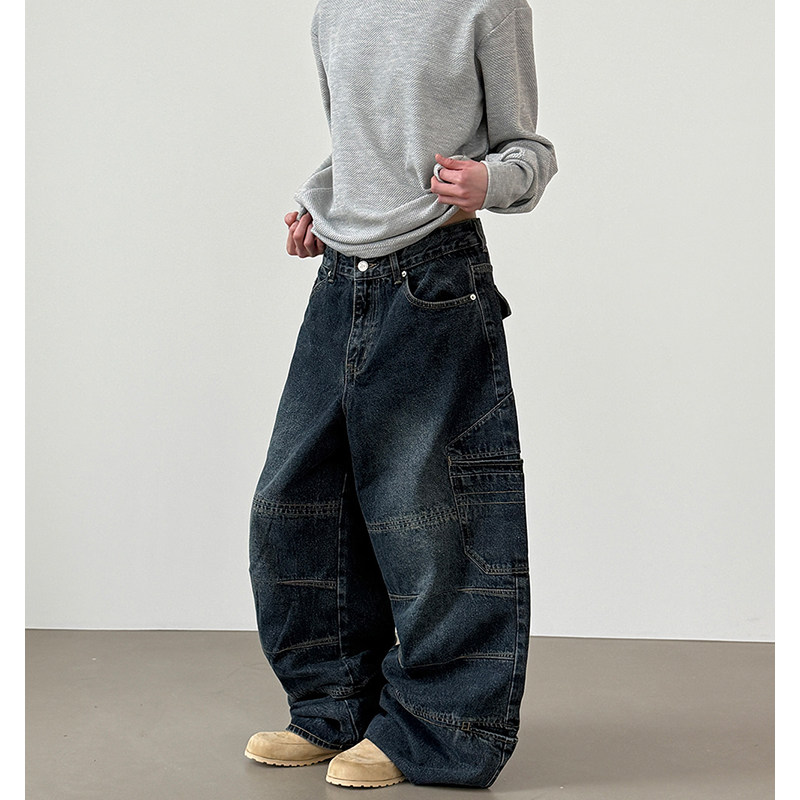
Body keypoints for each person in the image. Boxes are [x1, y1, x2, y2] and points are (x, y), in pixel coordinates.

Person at [246, 0, 558, 789]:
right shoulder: (334, 12)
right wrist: (323, 208)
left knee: (432, 516)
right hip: (337, 279)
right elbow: (363, 150)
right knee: (296, 503)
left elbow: (529, 152)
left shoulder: (486, 7)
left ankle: (439, 729)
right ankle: (332, 710)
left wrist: (490, 181)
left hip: (434, 278)